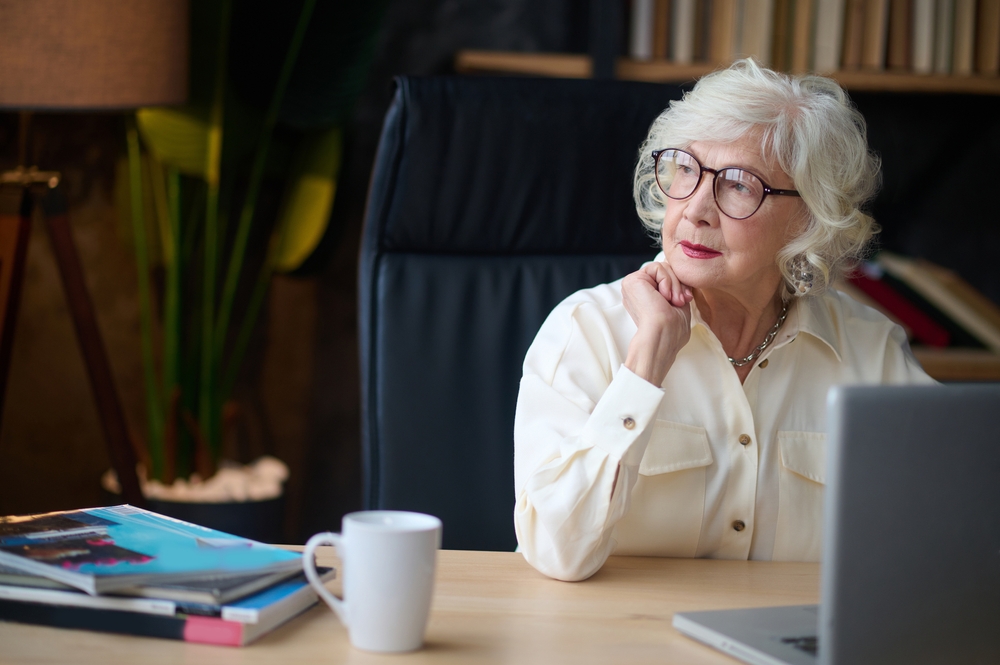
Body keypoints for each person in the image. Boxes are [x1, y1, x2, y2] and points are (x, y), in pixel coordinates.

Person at [512, 59, 935, 582]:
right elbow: (558, 553)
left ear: (808, 217)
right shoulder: (586, 330)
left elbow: (947, 531)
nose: (695, 210)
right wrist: (644, 367)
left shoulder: (869, 352)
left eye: (738, 184)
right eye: (685, 169)